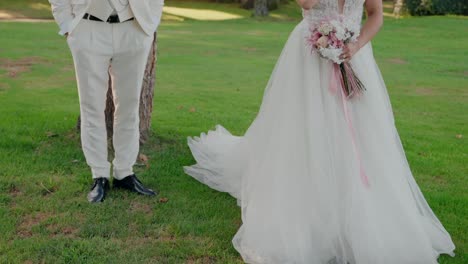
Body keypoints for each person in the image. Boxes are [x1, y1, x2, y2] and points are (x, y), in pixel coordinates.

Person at [184, 0, 456, 263]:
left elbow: (375, 15)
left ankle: (354, 200)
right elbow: (306, 4)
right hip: (310, 59)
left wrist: (356, 45)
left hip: (353, 58)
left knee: (360, 135)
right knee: (304, 130)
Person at [49, 0, 164, 203]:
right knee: (91, 106)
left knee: (129, 105)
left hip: (134, 28)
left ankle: (124, 172)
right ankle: (99, 174)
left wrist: (151, 22)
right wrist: (67, 24)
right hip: (88, 27)